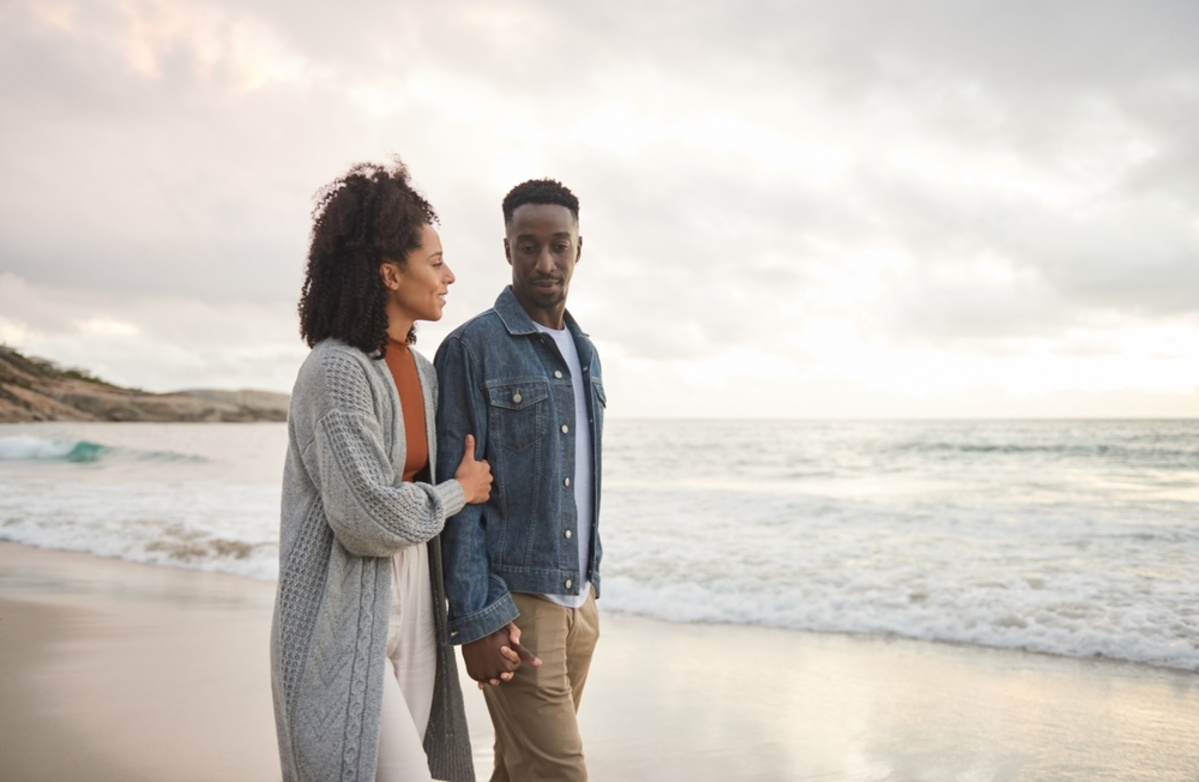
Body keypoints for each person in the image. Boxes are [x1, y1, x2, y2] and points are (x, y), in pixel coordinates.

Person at [271, 159, 492, 782]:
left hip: (416, 593)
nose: (450, 276)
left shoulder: (422, 372)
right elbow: (365, 518)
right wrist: (459, 491)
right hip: (345, 610)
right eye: (436, 261)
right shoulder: (336, 372)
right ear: (390, 273)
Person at [435, 179, 605, 781]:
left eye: (559, 245)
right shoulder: (471, 348)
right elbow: (461, 496)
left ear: (579, 249)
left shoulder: (585, 353)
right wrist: (477, 615)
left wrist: (590, 589)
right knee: (560, 773)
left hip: (578, 603)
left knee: (520, 771)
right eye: (528, 246)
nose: (545, 262)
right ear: (506, 249)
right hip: (515, 607)